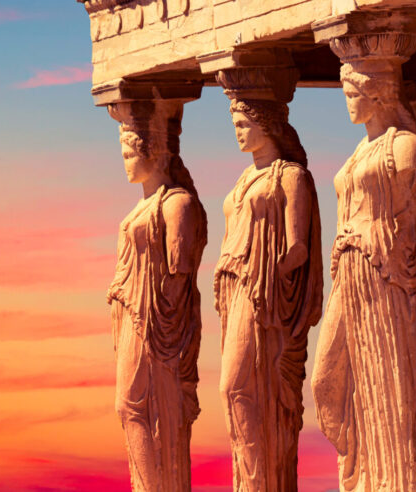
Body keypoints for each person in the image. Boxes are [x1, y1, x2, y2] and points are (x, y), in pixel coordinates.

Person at [311, 62, 416, 492]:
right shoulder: (357, 154)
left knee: (391, 380)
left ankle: (396, 479)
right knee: (326, 380)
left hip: (386, 277)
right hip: (348, 274)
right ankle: (362, 467)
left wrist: (389, 243)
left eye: (353, 93)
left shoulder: (406, 148)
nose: (347, 102)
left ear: (378, 93)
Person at [214, 98, 322, 492]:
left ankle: (262, 482)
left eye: (245, 124)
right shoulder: (244, 178)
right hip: (233, 288)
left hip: (262, 291)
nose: (238, 132)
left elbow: (298, 248)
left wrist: (265, 276)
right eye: (235, 125)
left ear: (268, 124)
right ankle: (248, 483)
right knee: (236, 391)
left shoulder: (291, 176)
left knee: (237, 386)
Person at [107, 101, 207, 492]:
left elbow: (178, 274)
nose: (126, 163)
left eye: (131, 154)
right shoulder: (142, 205)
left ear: (154, 150)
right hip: (131, 313)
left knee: (134, 405)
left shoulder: (177, 203)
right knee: (130, 408)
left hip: (154, 322)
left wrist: (164, 332)